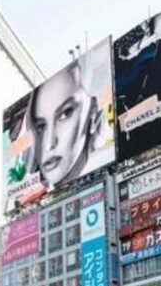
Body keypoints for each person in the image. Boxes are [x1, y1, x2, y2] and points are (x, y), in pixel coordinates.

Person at [26, 56, 110, 189]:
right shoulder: (29, 196)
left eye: (65, 114)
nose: (48, 144)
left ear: (93, 114)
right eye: (41, 127)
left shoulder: (106, 164)